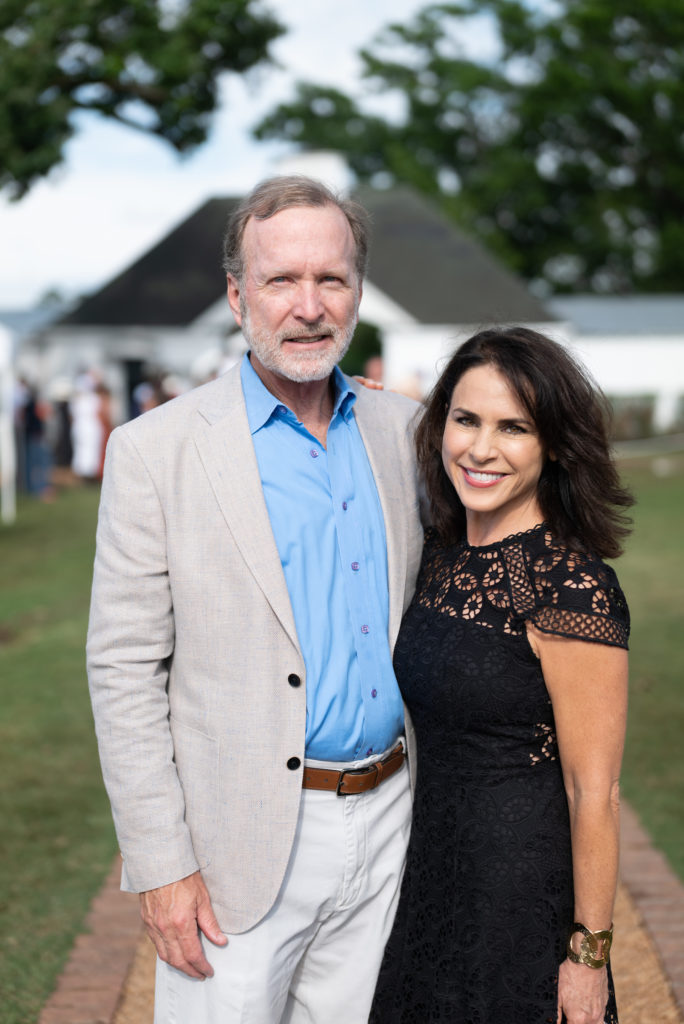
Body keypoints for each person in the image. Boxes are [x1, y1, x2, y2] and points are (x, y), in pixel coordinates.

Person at [86, 175, 424, 1023]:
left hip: (392, 823)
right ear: (239, 297)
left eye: (331, 280)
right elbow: (123, 669)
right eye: (281, 281)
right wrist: (162, 865)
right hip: (239, 846)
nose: (308, 306)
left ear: (356, 292)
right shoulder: (153, 451)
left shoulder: (409, 433)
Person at [370, 327, 632, 1024]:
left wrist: (588, 957)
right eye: (466, 419)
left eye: (513, 428)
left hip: (517, 902)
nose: (481, 449)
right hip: (428, 882)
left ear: (552, 445)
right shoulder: (443, 553)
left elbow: (595, 790)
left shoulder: (569, 586)